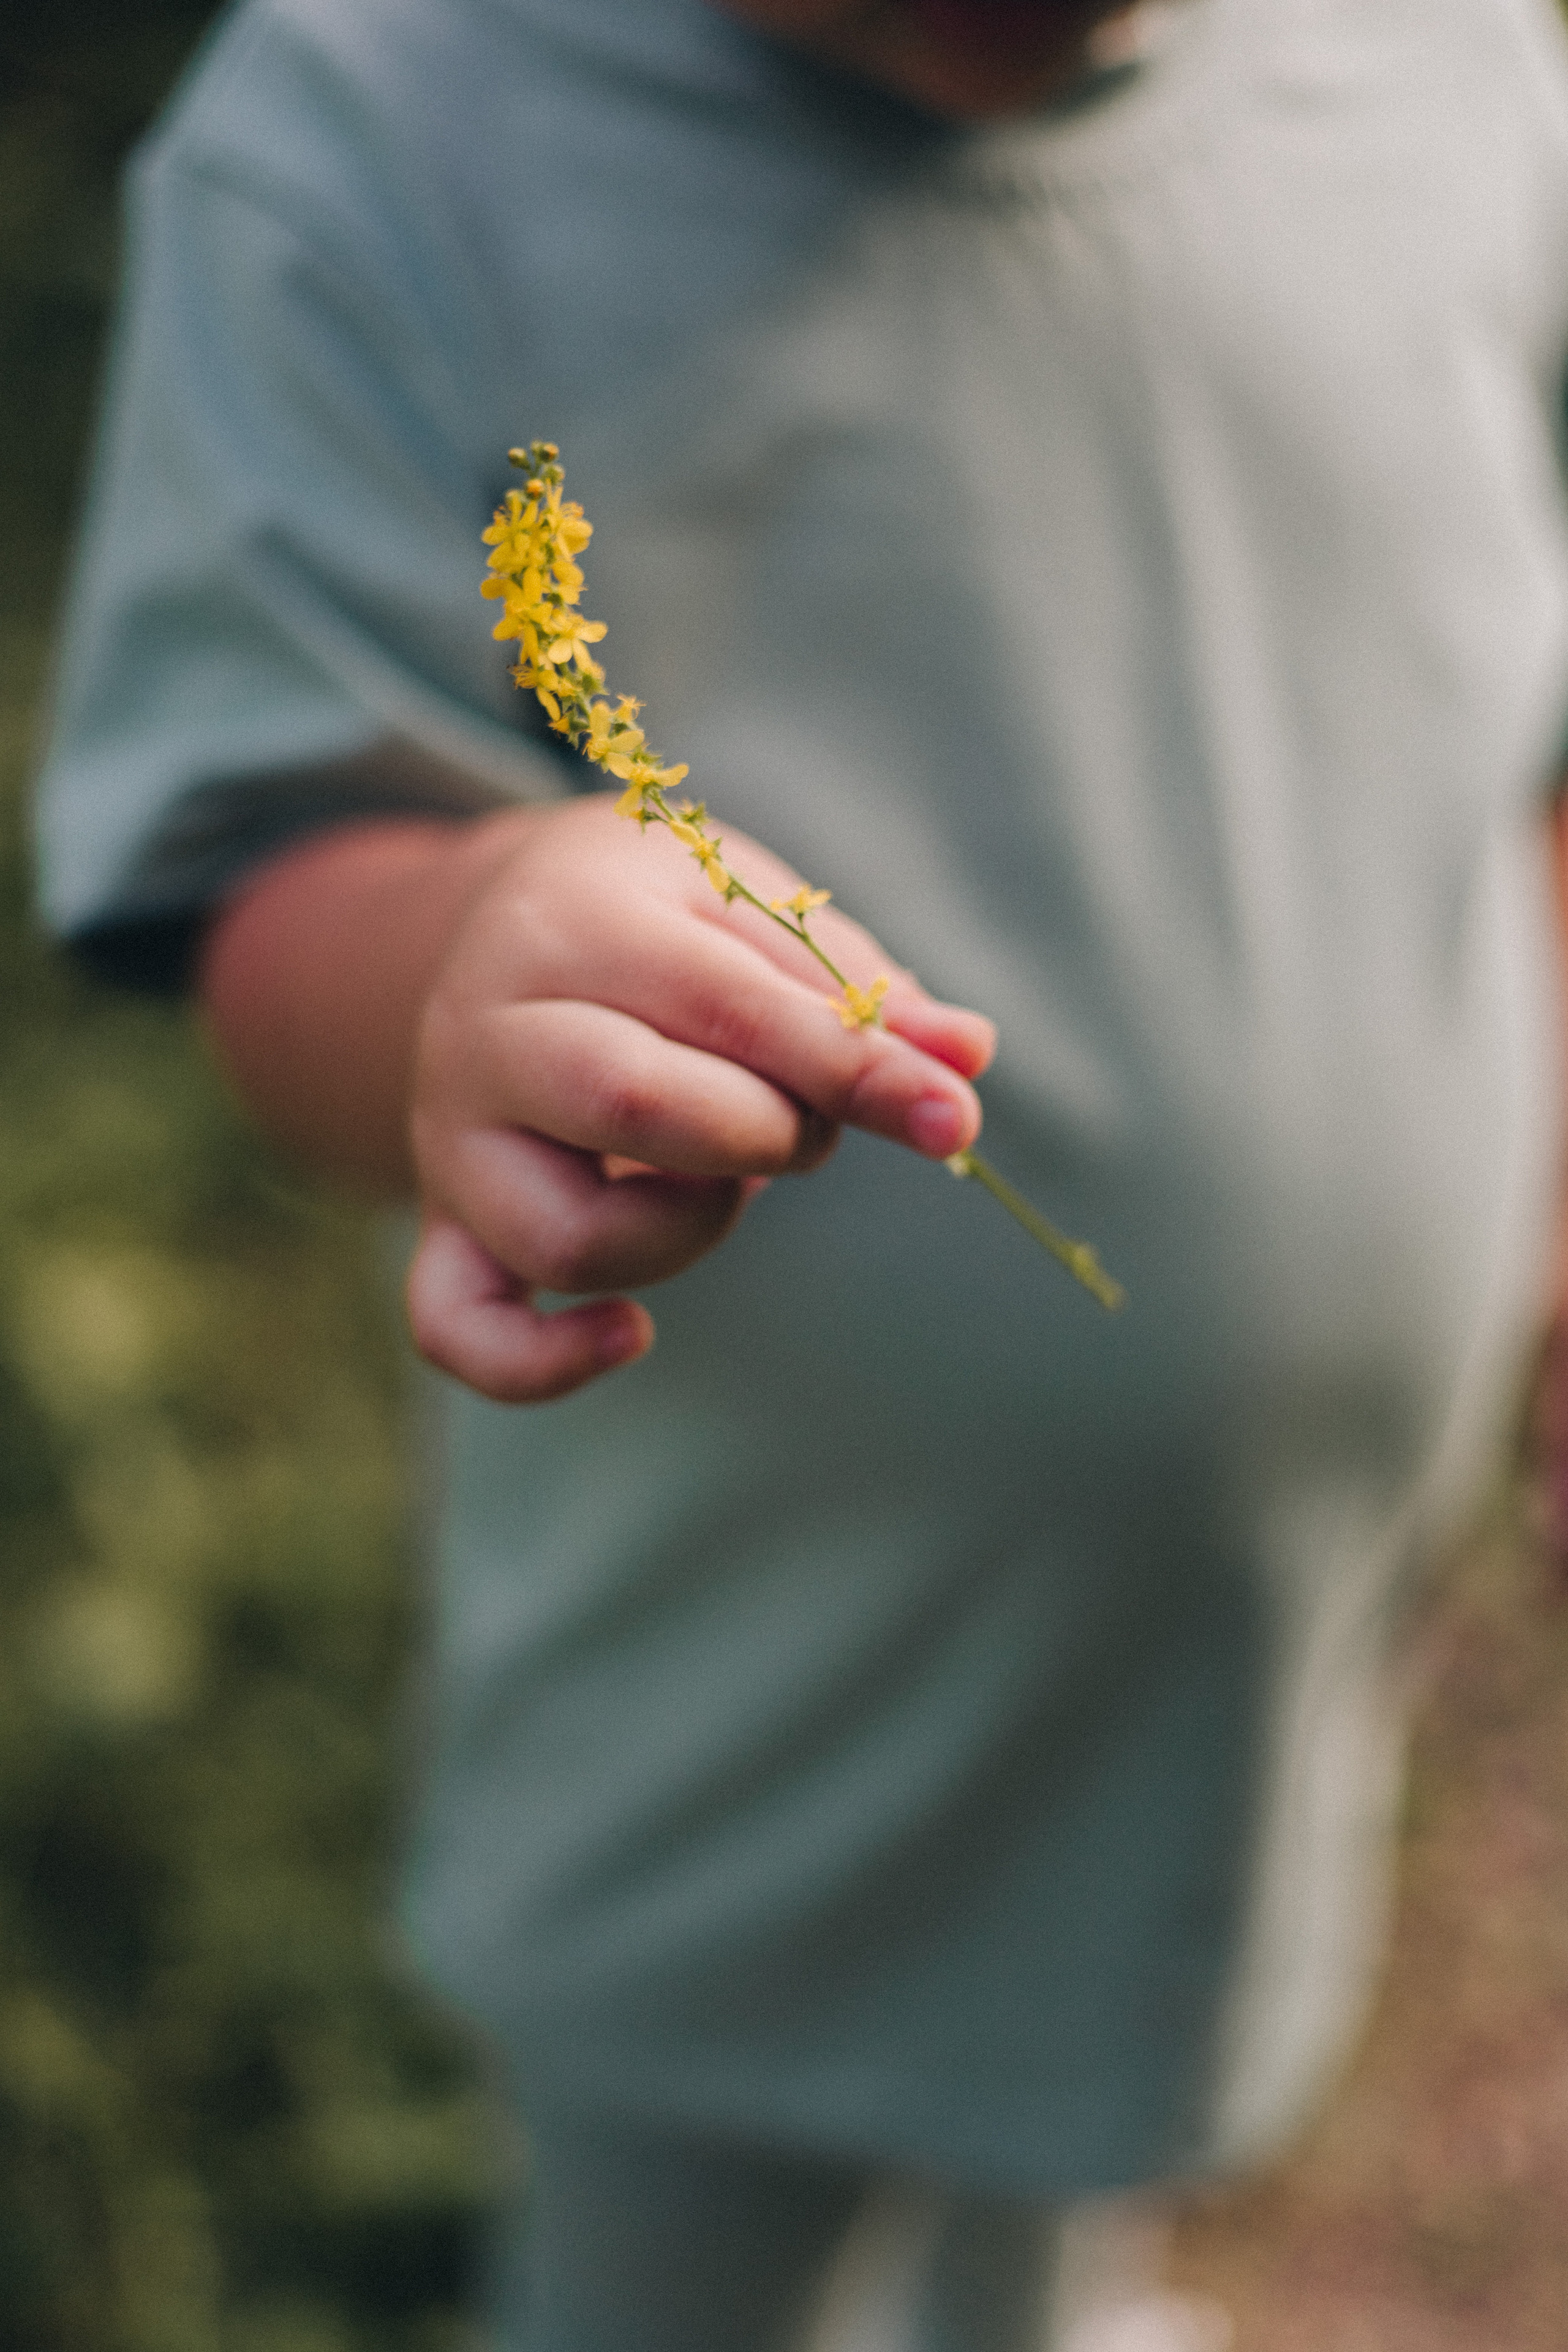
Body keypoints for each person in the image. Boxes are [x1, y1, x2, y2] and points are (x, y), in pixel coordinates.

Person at [34, 0, 1568, 2342]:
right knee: (687, 2274)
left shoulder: (1466, 65)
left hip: (1229, 1662)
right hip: (735, 1728)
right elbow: (250, 893)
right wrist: (458, 947)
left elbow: (1505, 728)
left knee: (1088, 2122)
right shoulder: (384, 135)